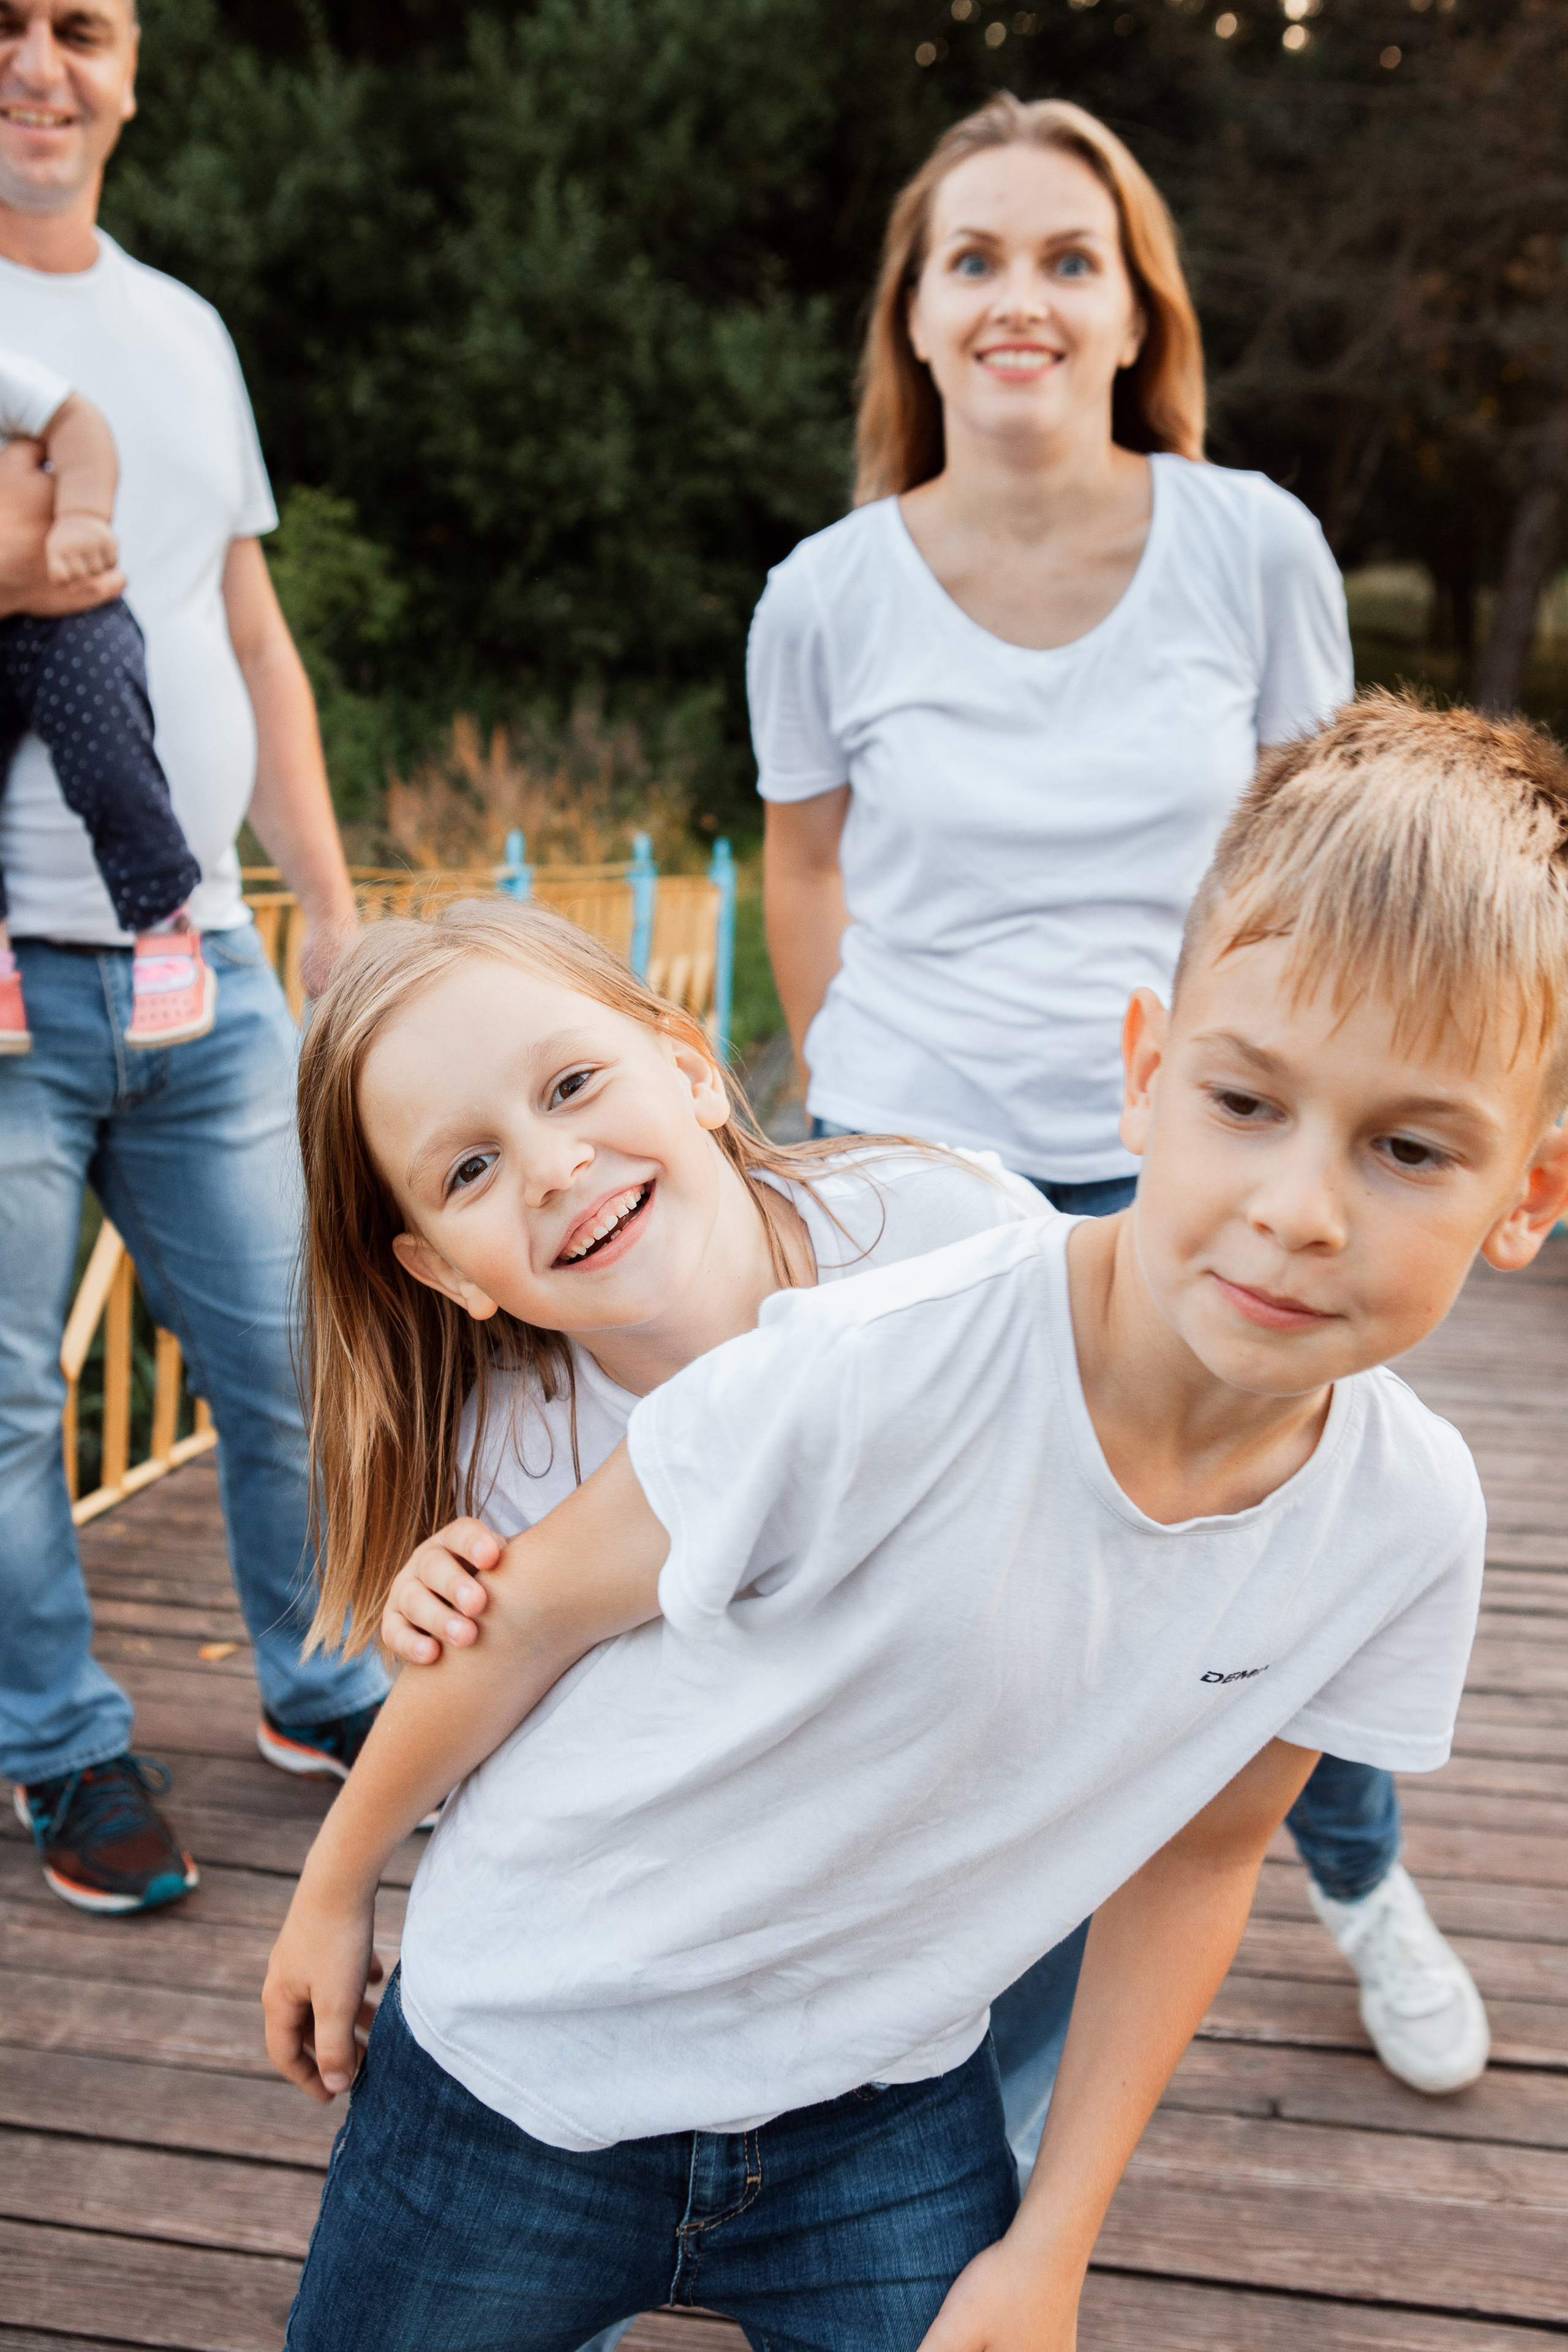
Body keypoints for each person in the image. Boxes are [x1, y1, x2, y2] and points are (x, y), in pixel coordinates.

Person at [265, 693, 1568, 2351]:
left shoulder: (1405, 1522)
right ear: (1147, 1080)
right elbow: (514, 1623)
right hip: (527, 2063)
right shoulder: (855, 1368)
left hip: (879, 2104)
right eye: (1246, 1105)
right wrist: (333, 1887)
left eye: (1407, 1147)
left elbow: (1210, 1849)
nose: (1298, 1213)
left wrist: (1054, 2244)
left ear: (1524, 1197)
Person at [753, 92, 1483, 2102]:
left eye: (1068, 260)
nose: (1020, 297)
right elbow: (801, 864)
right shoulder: (823, 592)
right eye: (972, 259)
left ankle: (1360, 1877)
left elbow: (1339, 854)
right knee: (954, 1590)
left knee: (1263, 1546)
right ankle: (924, 1993)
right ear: (912, 318)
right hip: (924, 1163)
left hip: (1206, 1158)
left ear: (1134, 312)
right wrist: (844, 1102)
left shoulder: (1249, 546)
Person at [0, 0, 386, 1918]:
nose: (39, 63)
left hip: (202, 961)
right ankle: (62, 1743)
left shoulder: (182, 330)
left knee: (291, 1363)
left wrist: (318, 895)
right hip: (1, 980)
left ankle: (322, 1686)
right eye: (2, 25)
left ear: (132, 68)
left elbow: (247, 629)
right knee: (4, 1406)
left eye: (78, 25)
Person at [0, 341, 212, 1054]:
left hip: (68, 616)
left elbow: (77, 423)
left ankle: (162, 923)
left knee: (106, 753)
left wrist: (82, 515)